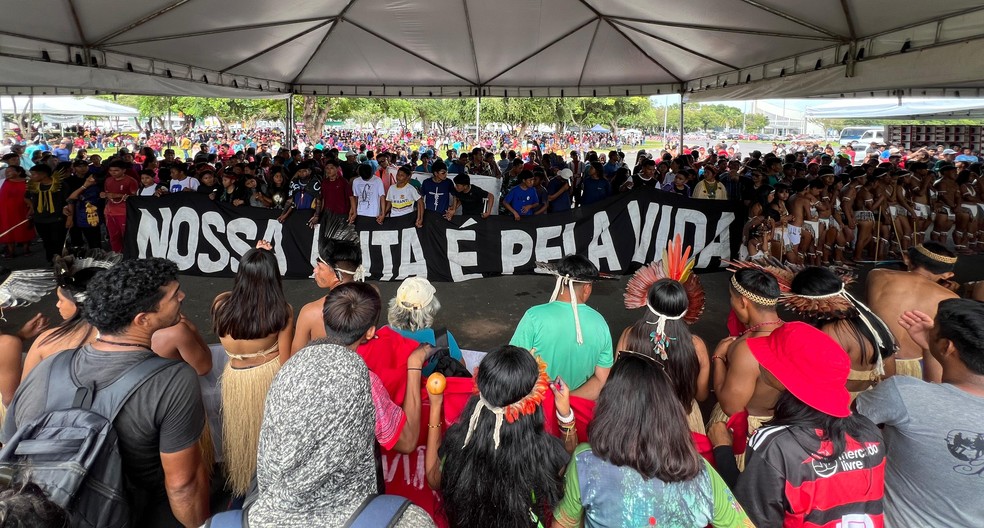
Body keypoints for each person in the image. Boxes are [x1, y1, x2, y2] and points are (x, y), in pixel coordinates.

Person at [1, 258, 210, 527]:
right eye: (173, 295)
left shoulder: (50, 365)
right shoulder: (173, 379)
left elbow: (10, 446)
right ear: (143, 319)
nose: (181, 296)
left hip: (46, 514)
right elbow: (183, 484)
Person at [244, 286, 435, 526]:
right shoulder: (365, 380)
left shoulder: (288, 369)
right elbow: (406, 442)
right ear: (370, 332)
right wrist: (414, 366)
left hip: (273, 503)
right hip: (345, 511)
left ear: (325, 319)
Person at [553, 350, 751, 528]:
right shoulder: (701, 474)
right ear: (669, 412)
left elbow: (563, 523)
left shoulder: (586, 461)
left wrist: (565, 416)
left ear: (608, 408)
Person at [735, 322, 885, 527]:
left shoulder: (775, 445)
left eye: (770, 354)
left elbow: (749, 522)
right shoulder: (870, 432)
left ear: (783, 377)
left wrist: (723, 450)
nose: (761, 358)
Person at [856, 299, 984, 527]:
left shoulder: (902, 394)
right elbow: (943, 399)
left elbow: (846, 418)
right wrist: (931, 347)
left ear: (948, 346)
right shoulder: (918, 399)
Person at [427, 345, 568, 528]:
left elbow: (433, 479)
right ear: (534, 402)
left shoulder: (458, 443)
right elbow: (571, 461)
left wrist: (435, 405)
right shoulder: (546, 453)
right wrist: (566, 415)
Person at [211, 242, 293, 498]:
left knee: (242, 437)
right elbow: (286, 362)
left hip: (234, 378)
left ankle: (245, 483)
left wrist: (256, 254)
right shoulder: (283, 312)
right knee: (266, 438)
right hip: (266, 380)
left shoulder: (220, 304)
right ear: (273, 277)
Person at [709, 268, 783, 468]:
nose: (731, 303)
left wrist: (717, 357)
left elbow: (731, 406)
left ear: (743, 302)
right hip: (779, 427)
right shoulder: (788, 332)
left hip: (748, 431)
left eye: (732, 298)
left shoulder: (748, 349)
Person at [785, 267, 897, 398]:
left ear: (806, 304)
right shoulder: (872, 321)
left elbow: (818, 384)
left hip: (838, 406)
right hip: (868, 400)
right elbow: (889, 375)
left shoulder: (831, 333)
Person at [511, 254, 612, 399]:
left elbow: (513, 367)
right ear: (587, 288)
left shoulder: (534, 317)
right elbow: (601, 380)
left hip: (537, 408)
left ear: (558, 281)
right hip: (576, 411)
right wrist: (566, 401)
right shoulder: (600, 323)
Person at [867, 243, 959, 382]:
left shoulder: (878, 275)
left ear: (906, 259)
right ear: (947, 275)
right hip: (916, 366)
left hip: (873, 359)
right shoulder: (951, 298)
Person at [387, 276, 463, 370]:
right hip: (432, 384)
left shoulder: (382, 333)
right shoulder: (443, 339)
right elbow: (461, 369)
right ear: (430, 308)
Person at [26, 164, 69, 264]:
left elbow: (68, 201)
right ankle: (51, 260)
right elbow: (26, 197)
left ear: (44, 175)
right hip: (40, 219)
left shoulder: (61, 184)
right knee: (46, 241)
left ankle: (60, 260)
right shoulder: (33, 185)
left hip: (57, 218)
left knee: (58, 241)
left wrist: (69, 217)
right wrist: (32, 208)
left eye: (33, 174)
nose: (31, 177)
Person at [101, 160, 138, 253]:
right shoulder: (108, 180)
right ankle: (116, 256)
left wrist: (118, 195)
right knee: (113, 236)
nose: (113, 173)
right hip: (110, 212)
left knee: (126, 236)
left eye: (116, 170)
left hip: (124, 212)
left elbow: (136, 197)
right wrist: (104, 195)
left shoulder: (130, 181)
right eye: (111, 170)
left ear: (124, 170)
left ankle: (129, 256)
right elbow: (107, 193)